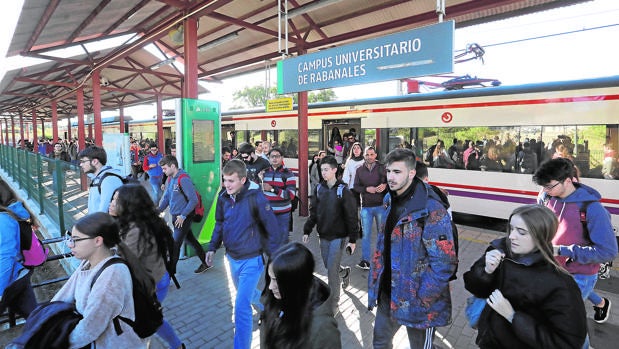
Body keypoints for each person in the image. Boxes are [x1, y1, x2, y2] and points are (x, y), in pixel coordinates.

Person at [368, 148, 457, 349]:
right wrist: (375, 282)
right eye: (388, 171)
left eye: (397, 172)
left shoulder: (431, 209)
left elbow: (444, 264)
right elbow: (383, 246)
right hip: (388, 293)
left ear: (411, 173)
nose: (390, 177)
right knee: (380, 343)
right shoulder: (389, 200)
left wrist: (421, 299)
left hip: (418, 303)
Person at [463, 205, 587, 349]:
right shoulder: (499, 249)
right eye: (511, 228)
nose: (511, 236)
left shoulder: (559, 284)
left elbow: (567, 343)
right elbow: (472, 286)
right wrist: (486, 271)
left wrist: (513, 317)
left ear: (541, 236)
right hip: (489, 340)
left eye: (521, 232)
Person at [206, 159, 283, 349]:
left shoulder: (256, 198)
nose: (226, 185)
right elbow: (219, 224)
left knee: (241, 307)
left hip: (252, 260)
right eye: (225, 180)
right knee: (247, 296)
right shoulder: (223, 198)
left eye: (231, 181)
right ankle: (273, 307)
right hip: (231, 259)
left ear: (242, 179)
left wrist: (275, 260)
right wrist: (212, 248)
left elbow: (272, 230)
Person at [533, 158, 618, 327]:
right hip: (554, 267)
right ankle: (601, 303)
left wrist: (562, 251)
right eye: (543, 187)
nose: (545, 191)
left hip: (580, 275)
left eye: (549, 186)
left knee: (564, 324)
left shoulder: (594, 210)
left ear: (567, 181)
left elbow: (608, 252)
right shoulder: (550, 198)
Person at [51, 212, 145, 348]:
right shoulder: (88, 263)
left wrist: (55, 343)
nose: (70, 244)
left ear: (97, 241)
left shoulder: (112, 277)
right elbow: (64, 295)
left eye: (76, 239)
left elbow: (90, 328)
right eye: (70, 238)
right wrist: (43, 319)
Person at [108, 184, 185, 349]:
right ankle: (177, 346)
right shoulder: (132, 222)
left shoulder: (136, 230)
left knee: (149, 320)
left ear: (129, 205)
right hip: (154, 279)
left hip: (153, 284)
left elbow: (120, 262)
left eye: (116, 200)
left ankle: (175, 345)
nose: (111, 203)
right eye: (112, 199)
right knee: (153, 318)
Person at [303, 156, 359, 316]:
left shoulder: (344, 190)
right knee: (330, 267)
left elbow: (351, 216)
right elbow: (314, 211)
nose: (323, 172)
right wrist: (307, 229)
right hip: (323, 235)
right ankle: (344, 272)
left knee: (330, 272)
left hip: (338, 237)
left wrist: (353, 239)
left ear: (335, 170)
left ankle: (333, 304)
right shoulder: (319, 189)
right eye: (322, 170)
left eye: (326, 169)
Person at [260, 242, 341, 349]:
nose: (270, 286)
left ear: (295, 283)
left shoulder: (323, 328)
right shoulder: (275, 298)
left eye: (276, 280)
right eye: (270, 278)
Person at [158, 155, 210, 274]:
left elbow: (193, 200)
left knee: (175, 246)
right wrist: (158, 210)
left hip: (183, 218)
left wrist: (183, 216)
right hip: (176, 217)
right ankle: (205, 262)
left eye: (165, 168)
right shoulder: (171, 179)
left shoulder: (183, 179)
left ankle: (170, 275)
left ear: (173, 166)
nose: (163, 171)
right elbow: (166, 197)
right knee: (191, 240)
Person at [0, 187, 37, 320]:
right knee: (35, 318)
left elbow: (6, 255)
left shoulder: (3, 220)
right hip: (15, 276)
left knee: (35, 318)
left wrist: (0, 291)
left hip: (9, 279)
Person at [353, 146, 387, 270]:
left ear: (375, 155)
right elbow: (356, 187)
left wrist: (385, 185)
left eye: (371, 154)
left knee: (381, 234)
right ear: (364, 156)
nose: (369, 157)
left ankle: (382, 259)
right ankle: (365, 261)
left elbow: (391, 182)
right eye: (367, 155)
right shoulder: (359, 170)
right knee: (366, 235)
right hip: (366, 207)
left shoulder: (382, 168)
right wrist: (366, 189)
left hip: (380, 206)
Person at [261, 147, 297, 242]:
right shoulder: (264, 173)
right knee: (269, 241)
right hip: (268, 213)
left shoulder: (288, 174)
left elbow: (291, 195)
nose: (274, 159)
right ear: (268, 158)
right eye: (272, 156)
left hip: (283, 214)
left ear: (282, 158)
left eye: (277, 156)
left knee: (282, 240)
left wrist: (272, 189)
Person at [78, 145, 124, 214]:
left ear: (95, 161)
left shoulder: (109, 180)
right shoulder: (98, 178)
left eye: (83, 161)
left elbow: (103, 212)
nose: (81, 164)